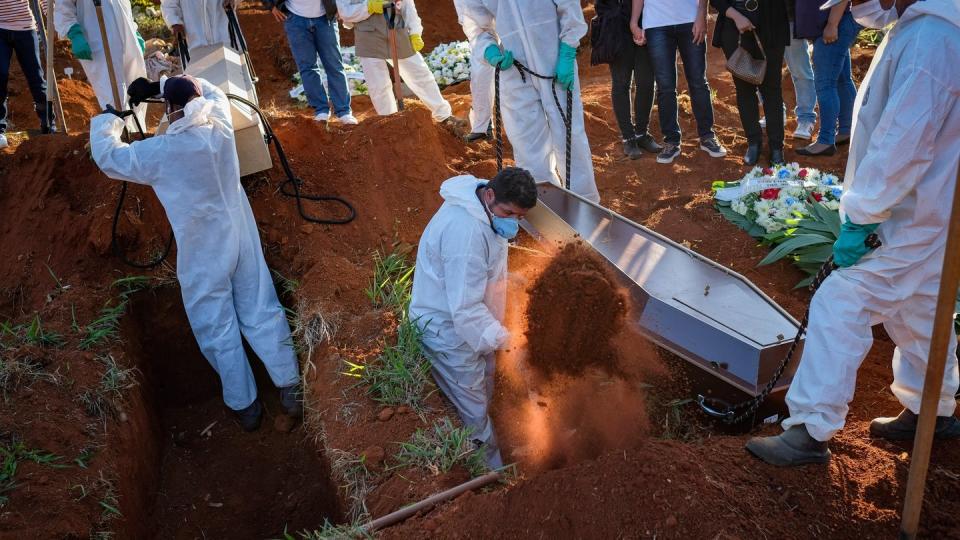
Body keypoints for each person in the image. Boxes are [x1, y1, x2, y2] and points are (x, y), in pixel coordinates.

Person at [745, 0, 960, 467]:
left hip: (907, 215)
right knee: (920, 309)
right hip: (924, 210)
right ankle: (934, 410)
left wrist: (863, 216)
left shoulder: (932, 39)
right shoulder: (926, 28)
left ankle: (809, 429)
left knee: (841, 301)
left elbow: (903, 141)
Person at [89, 75, 304, 431]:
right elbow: (215, 90)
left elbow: (109, 157)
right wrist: (163, 84)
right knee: (261, 309)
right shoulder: (219, 126)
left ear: (171, 109)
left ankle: (245, 406)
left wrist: (111, 119)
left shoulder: (161, 153)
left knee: (217, 327)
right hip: (241, 240)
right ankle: (289, 387)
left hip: (204, 252)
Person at [409, 167, 538, 469]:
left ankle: (494, 442)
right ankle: (490, 476)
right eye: (508, 213)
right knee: (474, 412)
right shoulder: (465, 235)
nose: (512, 222)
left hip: (475, 323)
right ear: (491, 195)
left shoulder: (479, 199)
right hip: (450, 333)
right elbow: (465, 310)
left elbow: (476, 273)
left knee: (487, 383)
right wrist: (509, 341)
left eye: (519, 217)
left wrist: (509, 279)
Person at [458, 0, 601, 203]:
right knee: (527, 144)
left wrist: (568, 49)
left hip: (554, 58)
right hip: (514, 69)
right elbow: (474, 22)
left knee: (569, 136)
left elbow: (568, 6)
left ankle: (585, 205)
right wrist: (489, 50)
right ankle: (546, 207)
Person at [631, 0, 727, 164]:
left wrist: (701, 15)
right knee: (665, 87)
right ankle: (671, 141)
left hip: (690, 20)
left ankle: (707, 136)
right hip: (656, 25)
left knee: (698, 82)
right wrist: (634, 22)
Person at [337, 0, 459, 129]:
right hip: (367, 34)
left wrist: (415, 32)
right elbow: (345, 12)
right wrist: (369, 7)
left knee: (419, 73)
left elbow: (408, 6)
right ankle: (390, 123)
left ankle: (444, 116)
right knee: (378, 84)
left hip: (395, 26)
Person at [711, 0, 790, 166]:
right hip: (734, 28)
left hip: (772, 25)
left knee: (772, 89)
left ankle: (777, 147)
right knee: (744, 89)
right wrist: (737, 16)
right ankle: (753, 143)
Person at [55, 0, 147, 126]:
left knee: (137, 90)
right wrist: (74, 33)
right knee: (112, 93)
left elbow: (123, 4)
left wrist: (134, 31)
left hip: (127, 38)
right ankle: (120, 137)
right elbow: (63, 8)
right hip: (98, 40)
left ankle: (138, 134)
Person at [267, 0, 356, 124]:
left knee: (334, 65)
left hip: (325, 18)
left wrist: (340, 6)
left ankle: (344, 111)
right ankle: (321, 110)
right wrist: (270, 6)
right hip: (294, 19)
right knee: (307, 67)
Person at [594, 0, 662, 160]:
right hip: (616, 29)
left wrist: (643, 26)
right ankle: (628, 138)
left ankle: (641, 134)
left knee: (646, 83)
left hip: (644, 26)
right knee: (621, 84)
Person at [796, 0, 860, 157]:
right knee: (842, 79)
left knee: (825, 84)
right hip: (836, 22)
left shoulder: (833, 24)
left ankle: (825, 141)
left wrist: (832, 24)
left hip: (834, 24)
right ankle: (846, 129)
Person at [1, 0, 56, 149]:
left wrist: (53, 16)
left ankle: (48, 125)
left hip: (25, 28)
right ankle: (0, 129)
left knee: (36, 78)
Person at [454, 0, 494, 142]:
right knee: (480, 79)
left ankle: (484, 126)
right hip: (483, 35)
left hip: (500, 31)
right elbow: (471, 19)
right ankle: (484, 126)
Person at [783, 2, 817, 140]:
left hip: (791, 19)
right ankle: (774, 112)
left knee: (800, 71)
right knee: (764, 70)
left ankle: (806, 119)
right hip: (764, 21)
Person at [161, 0, 237, 51]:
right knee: (200, 71)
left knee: (234, 68)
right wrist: (174, 22)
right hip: (195, 39)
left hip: (225, 31)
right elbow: (168, 5)